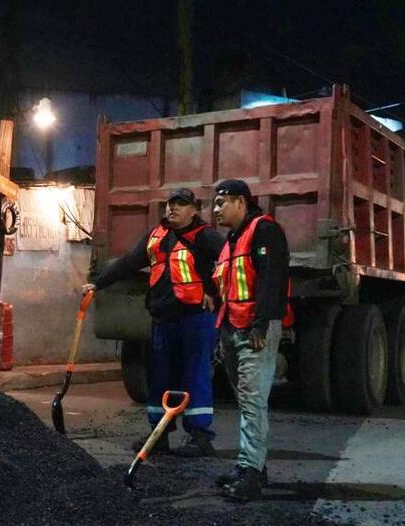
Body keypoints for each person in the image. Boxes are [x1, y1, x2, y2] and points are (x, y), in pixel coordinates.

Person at [81, 188, 225, 457]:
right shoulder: (156, 237)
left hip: (195, 319)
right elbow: (128, 263)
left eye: (181, 204)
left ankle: (200, 437)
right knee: (161, 378)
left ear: (194, 209)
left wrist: (213, 291)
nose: (173, 209)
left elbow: (228, 262)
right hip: (163, 319)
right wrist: (98, 283)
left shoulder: (206, 236)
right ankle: (159, 435)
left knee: (195, 375)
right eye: (170, 204)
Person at [210, 179, 292, 501]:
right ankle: (250, 466)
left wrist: (260, 326)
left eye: (221, 203)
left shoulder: (265, 230)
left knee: (253, 402)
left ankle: (252, 475)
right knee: (245, 400)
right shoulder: (233, 238)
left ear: (241, 202)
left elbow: (272, 280)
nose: (215, 210)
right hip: (233, 329)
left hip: (253, 330)